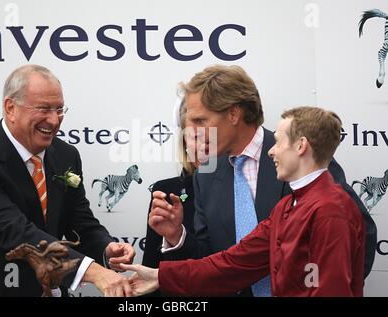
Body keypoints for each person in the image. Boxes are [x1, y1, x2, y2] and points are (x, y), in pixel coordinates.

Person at [148, 65, 377, 297]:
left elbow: (361, 238)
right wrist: (177, 236)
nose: (191, 132)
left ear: (233, 114)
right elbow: (213, 261)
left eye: (200, 121)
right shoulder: (206, 173)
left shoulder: (299, 157)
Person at [0, 64, 135, 297]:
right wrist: (93, 272)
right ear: (11, 108)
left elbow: (79, 220)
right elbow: (16, 233)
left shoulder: (66, 155)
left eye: (59, 109)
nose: (54, 121)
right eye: (44, 109)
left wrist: (106, 248)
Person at [142, 99, 202, 295]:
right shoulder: (166, 191)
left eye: (211, 136)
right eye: (194, 136)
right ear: (184, 142)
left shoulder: (243, 190)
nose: (203, 146)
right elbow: (151, 271)